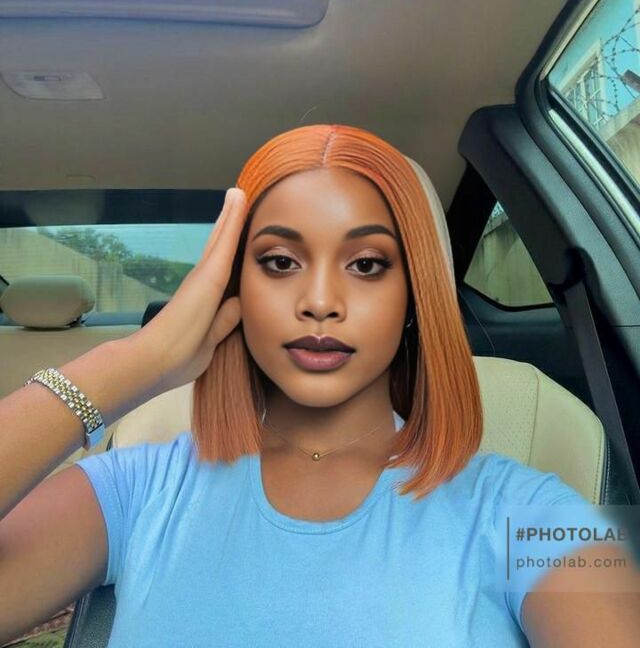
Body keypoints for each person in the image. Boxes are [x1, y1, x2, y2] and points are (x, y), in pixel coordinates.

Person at [0, 124, 639, 647]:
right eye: (280, 262)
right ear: (235, 287)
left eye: (367, 264)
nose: (321, 301)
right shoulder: (136, 489)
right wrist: (139, 360)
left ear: (413, 296)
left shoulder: (537, 513)